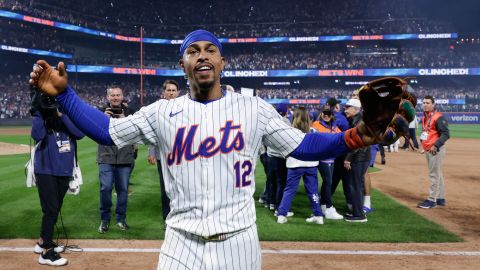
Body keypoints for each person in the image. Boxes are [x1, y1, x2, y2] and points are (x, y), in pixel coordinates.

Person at [30, 29, 397, 270]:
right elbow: (109, 132)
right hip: (179, 243)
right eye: (193, 51)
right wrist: (66, 94)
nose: (202, 56)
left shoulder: (253, 109)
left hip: (238, 244)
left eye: (210, 50)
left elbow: (306, 144)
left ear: (222, 62)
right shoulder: (162, 112)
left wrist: (358, 135)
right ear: (183, 64)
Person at [31, 92, 84, 266]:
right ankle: (46, 253)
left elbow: (79, 133)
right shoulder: (41, 115)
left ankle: (42, 242)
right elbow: (37, 135)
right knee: (51, 209)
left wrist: (61, 115)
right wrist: (39, 112)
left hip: (64, 169)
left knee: (55, 208)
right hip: (46, 169)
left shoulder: (66, 115)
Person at [97, 86, 136, 233]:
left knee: (123, 190)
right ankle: (105, 219)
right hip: (105, 156)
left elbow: (135, 132)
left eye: (118, 95)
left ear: (122, 96)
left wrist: (124, 120)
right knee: (105, 187)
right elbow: (94, 132)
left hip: (125, 157)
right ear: (108, 97)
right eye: (112, 95)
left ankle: (121, 219)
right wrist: (104, 120)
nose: (115, 97)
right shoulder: (101, 112)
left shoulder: (130, 112)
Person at [277, 107, 323, 224]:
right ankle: (318, 215)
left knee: (290, 190)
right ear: (308, 117)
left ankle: (282, 215)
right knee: (313, 191)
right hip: (311, 164)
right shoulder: (314, 131)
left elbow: (284, 148)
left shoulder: (289, 131)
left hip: (295, 164)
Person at [147, 79, 179, 222]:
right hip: (163, 157)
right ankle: (167, 219)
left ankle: (180, 218)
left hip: (181, 156)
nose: (171, 93)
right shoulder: (157, 109)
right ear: (164, 92)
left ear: (178, 92)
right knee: (165, 189)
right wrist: (151, 152)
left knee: (181, 189)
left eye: (173, 90)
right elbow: (152, 132)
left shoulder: (185, 108)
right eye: (168, 90)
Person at [311, 105, 343, 219]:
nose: (326, 116)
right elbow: (312, 140)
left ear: (332, 115)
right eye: (324, 113)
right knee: (328, 182)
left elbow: (341, 138)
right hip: (322, 158)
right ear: (321, 114)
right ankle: (328, 207)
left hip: (332, 158)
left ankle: (323, 205)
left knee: (327, 182)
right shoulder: (316, 125)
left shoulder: (335, 126)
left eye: (329, 114)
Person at [418, 95, 450, 209]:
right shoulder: (424, 117)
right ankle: (440, 198)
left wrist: (435, 146)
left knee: (434, 174)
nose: (425, 104)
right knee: (438, 174)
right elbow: (426, 133)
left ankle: (432, 200)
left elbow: (446, 134)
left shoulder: (438, 117)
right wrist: (424, 146)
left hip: (435, 150)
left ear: (433, 104)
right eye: (424, 102)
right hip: (428, 149)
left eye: (428, 103)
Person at [343, 98, 370, 222]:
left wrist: (348, 159)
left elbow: (357, 143)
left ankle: (358, 214)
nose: (345, 109)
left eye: (348, 107)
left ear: (355, 109)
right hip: (361, 157)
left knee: (355, 185)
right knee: (356, 184)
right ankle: (357, 211)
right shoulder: (357, 120)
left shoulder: (359, 122)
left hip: (359, 157)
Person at [266, 103, 289, 211]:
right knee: (281, 182)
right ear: (285, 112)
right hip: (280, 157)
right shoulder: (286, 122)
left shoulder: (269, 121)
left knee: (271, 181)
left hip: (270, 155)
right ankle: (278, 207)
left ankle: (271, 203)